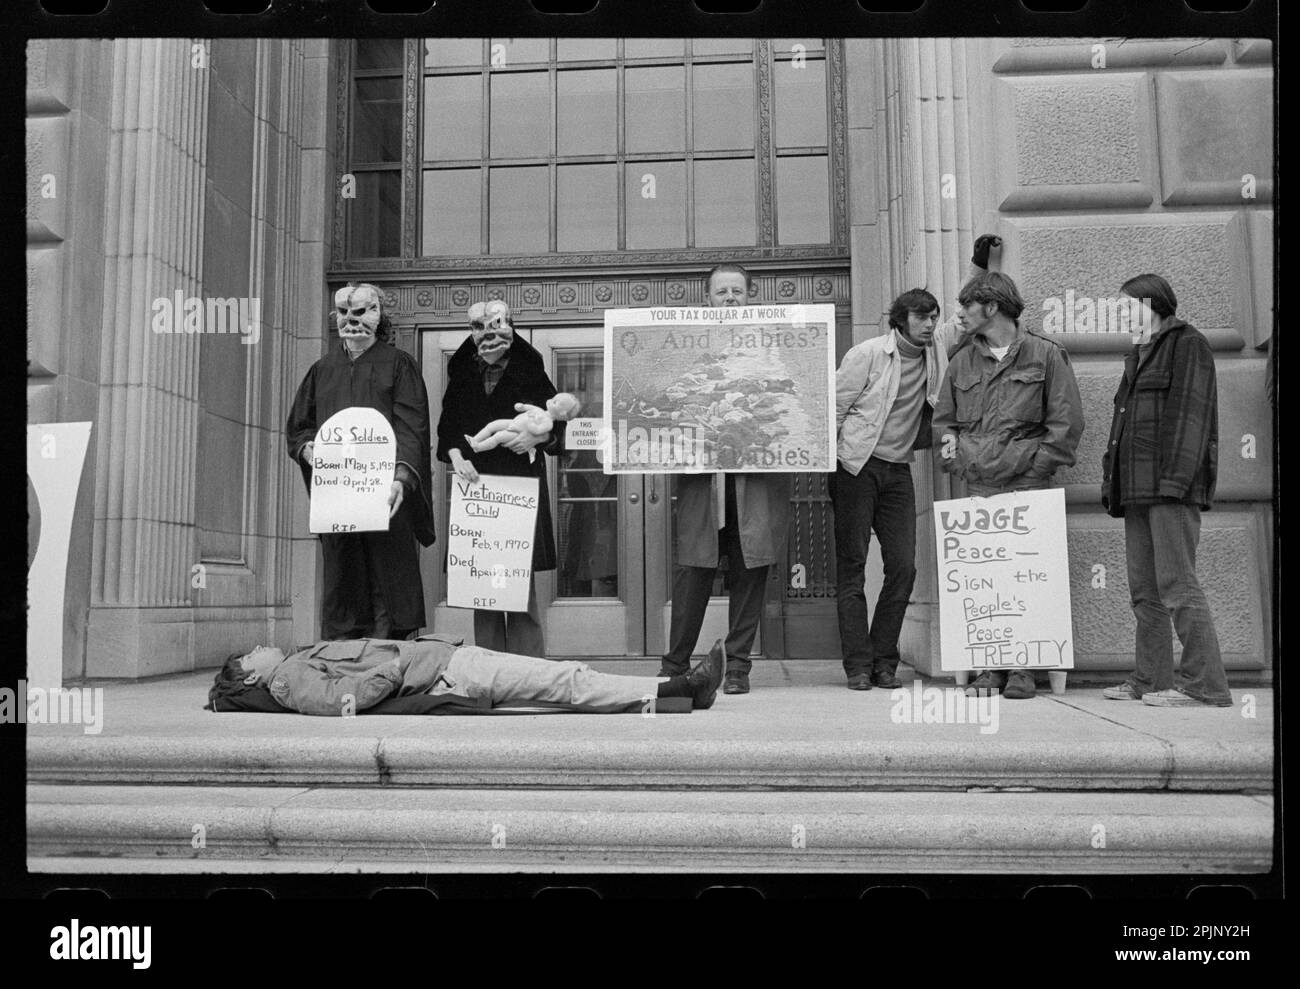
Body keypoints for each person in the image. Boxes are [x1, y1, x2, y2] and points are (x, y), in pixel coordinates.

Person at [830, 236, 1000, 691]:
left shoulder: (935, 351)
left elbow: (967, 319)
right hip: (855, 469)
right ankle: (858, 665)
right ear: (900, 320)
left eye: (933, 318)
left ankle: (885, 660)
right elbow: (833, 408)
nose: (931, 324)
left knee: (903, 566)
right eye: (922, 317)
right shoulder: (867, 354)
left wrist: (980, 267)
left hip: (897, 470)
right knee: (852, 566)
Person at [933, 270, 1084, 699]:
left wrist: (1035, 469)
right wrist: (959, 462)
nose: (959, 315)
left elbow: (1066, 423)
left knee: (1025, 578)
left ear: (992, 306)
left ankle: (1022, 669)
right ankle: (989, 666)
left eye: (966, 306)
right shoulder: (962, 360)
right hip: (978, 487)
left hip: (1029, 485)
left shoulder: (1046, 355)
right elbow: (943, 422)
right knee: (985, 581)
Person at [658, 263, 791, 695]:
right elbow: (667, 401)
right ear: (707, 299)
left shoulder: (773, 344)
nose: (730, 298)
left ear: (749, 296)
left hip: (754, 478)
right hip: (704, 480)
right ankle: (675, 663)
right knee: (693, 571)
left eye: (737, 291)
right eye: (722, 292)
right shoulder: (686, 348)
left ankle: (737, 667)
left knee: (750, 570)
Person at [1100, 275, 1232, 707]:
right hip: (1137, 491)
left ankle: (1204, 686)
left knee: (1178, 586)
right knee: (1145, 592)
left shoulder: (1186, 343)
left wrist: (1175, 484)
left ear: (1152, 304)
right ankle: (1150, 679)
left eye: (1127, 307)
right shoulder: (1138, 354)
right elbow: (1123, 427)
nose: (1121, 315)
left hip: (1170, 489)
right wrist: (1112, 483)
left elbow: (1192, 416)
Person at [286, 283, 435, 641]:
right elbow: (300, 428)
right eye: (343, 314)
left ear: (379, 316)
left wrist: (403, 477)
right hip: (339, 499)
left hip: (384, 496)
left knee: (387, 579)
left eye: (362, 312)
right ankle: (343, 661)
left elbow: (411, 425)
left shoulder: (399, 365)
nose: (351, 321)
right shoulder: (321, 370)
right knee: (344, 577)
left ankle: (385, 660)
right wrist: (308, 449)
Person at [436, 300, 562, 656]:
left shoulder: (530, 370)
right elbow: (448, 427)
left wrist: (538, 437)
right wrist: (456, 455)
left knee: (519, 584)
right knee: (483, 581)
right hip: (477, 489)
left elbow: (557, 424)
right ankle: (490, 666)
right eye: (479, 329)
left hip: (517, 487)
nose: (488, 337)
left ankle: (528, 668)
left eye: (496, 327)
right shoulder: (462, 373)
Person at [210, 635, 725, 715]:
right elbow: (347, 700)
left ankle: (679, 691)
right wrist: (402, 664)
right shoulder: (286, 680)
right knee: (566, 680)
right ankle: (683, 689)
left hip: (447, 662)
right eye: (250, 655)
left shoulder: (294, 663)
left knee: (566, 677)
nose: (258, 647)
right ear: (250, 678)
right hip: (447, 671)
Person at [467, 392, 582, 463]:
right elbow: (527, 407)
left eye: (555, 402)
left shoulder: (549, 423)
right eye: (553, 398)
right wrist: (521, 407)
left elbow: (537, 431)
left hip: (517, 432)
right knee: (493, 425)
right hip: (513, 423)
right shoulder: (540, 410)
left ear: (562, 413)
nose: (551, 401)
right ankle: (475, 439)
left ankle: (479, 447)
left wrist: (531, 425)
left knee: (498, 437)